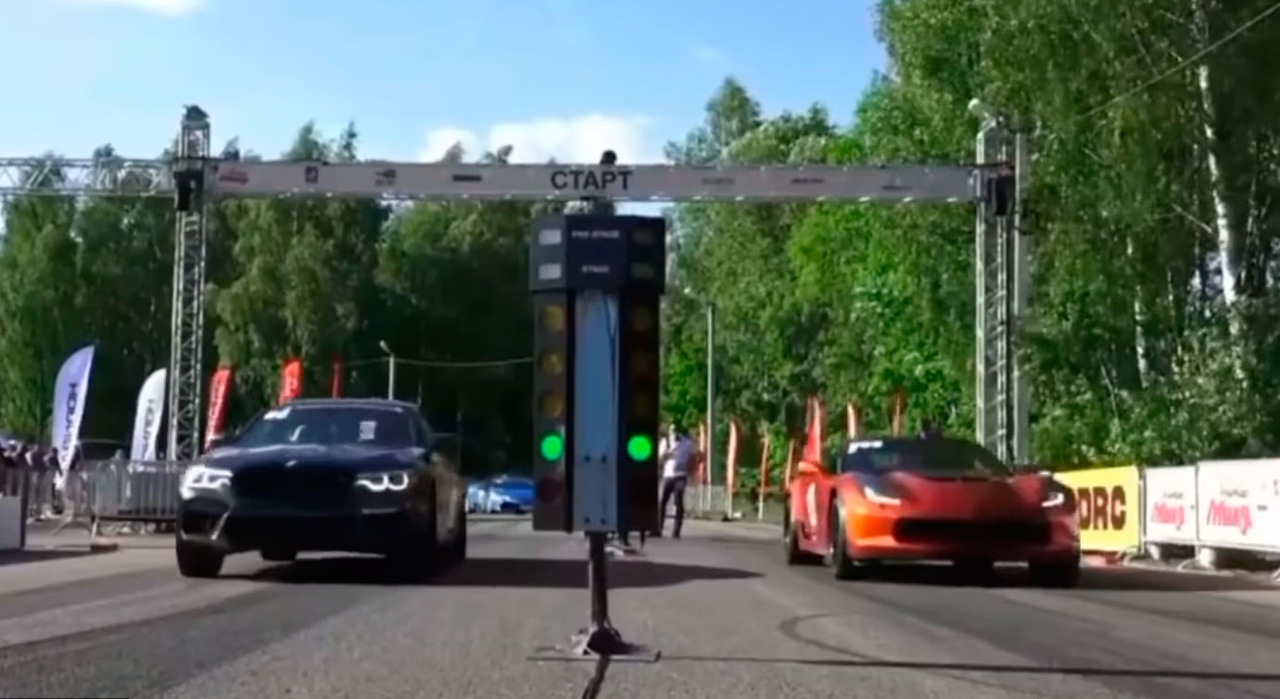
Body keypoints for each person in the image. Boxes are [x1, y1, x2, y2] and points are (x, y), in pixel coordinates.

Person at [654, 424, 697, 539]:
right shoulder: (666, 442)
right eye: (672, 431)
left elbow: (693, 457)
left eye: (676, 431)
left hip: (681, 475)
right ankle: (658, 529)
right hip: (668, 475)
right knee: (662, 502)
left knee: (678, 502)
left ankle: (676, 531)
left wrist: (691, 471)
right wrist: (667, 454)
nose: (674, 434)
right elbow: (659, 459)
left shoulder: (687, 443)